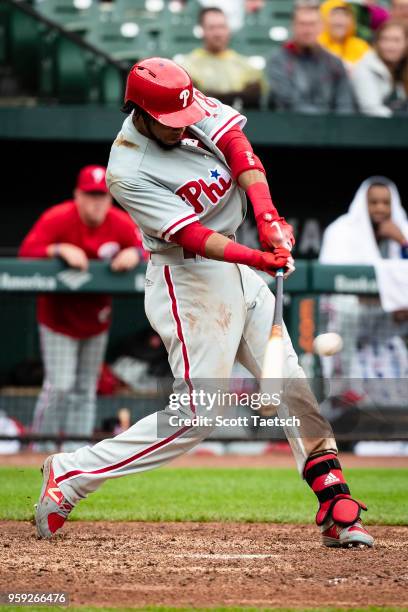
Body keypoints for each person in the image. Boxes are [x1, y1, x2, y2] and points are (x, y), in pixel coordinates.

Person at [34, 58, 374, 549]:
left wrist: (269, 216)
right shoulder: (127, 168)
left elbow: (239, 148)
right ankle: (69, 474)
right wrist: (256, 253)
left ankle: (334, 500)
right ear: (140, 114)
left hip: (236, 263)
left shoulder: (182, 101)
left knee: (288, 381)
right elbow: (191, 236)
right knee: (198, 415)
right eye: (169, 122)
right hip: (187, 277)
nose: (182, 123)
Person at [19, 165, 144, 452]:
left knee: (86, 389)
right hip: (58, 320)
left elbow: (149, 249)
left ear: (110, 198)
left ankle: (76, 452)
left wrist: (133, 252)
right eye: (89, 195)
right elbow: (26, 253)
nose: (96, 202)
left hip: (96, 320)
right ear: (77, 195)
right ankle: (41, 446)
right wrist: (57, 250)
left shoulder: (120, 223)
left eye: (101, 196)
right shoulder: (58, 218)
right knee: (60, 385)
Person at [267, 2, 355, 113]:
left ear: (321, 27)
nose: (307, 30)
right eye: (302, 24)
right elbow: (288, 102)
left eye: (312, 24)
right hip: (290, 125)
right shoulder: (278, 61)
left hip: (331, 128)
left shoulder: (334, 63)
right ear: (293, 26)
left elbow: (344, 105)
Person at [178, 7, 264, 108]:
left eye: (222, 27)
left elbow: (253, 98)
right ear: (202, 30)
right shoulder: (188, 65)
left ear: (228, 29)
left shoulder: (245, 64)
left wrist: (212, 96)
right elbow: (194, 99)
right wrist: (236, 97)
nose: (218, 33)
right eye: (212, 28)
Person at [351, 20, 408, 116]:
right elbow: (371, 109)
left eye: (396, 40)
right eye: (385, 39)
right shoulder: (366, 67)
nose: (390, 46)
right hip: (371, 126)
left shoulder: (403, 66)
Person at [318, 0, 371, 66]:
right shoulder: (316, 46)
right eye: (334, 14)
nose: (339, 19)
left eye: (344, 15)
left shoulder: (361, 47)